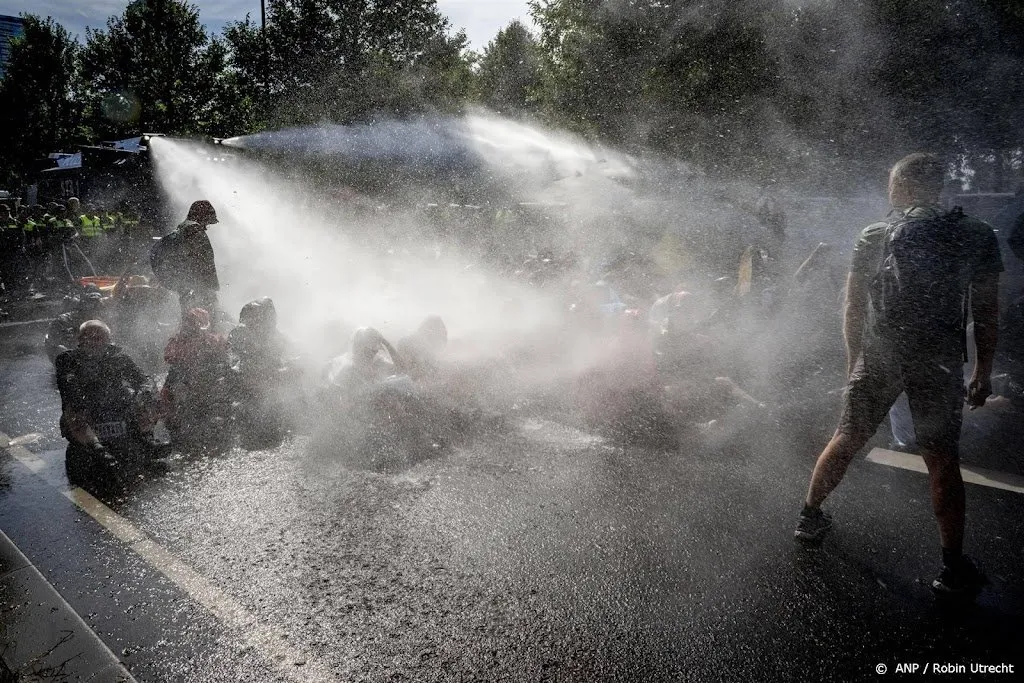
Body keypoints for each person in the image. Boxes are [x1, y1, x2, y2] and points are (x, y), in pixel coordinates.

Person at [794, 153, 1003, 598]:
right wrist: (983, 370)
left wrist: (854, 362)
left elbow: (851, 306)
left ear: (904, 186)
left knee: (847, 437)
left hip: (880, 356)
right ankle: (951, 567)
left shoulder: (874, 234)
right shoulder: (975, 234)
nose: (888, 191)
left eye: (892, 183)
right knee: (941, 458)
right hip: (938, 363)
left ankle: (809, 518)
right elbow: (985, 312)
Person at [55, 320, 158, 457]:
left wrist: (145, 391)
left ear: (108, 340)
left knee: (144, 398)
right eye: (89, 338)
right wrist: (82, 402)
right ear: (80, 340)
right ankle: (96, 447)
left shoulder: (119, 357)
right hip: (85, 407)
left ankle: (148, 438)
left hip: (117, 404)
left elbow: (142, 378)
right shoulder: (67, 360)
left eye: (99, 338)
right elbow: (68, 388)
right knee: (73, 411)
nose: (94, 343)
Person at [150, 200, 221, 316]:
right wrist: (211, 289)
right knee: (202, 318)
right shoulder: (196, 233)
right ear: (202, 217)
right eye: (207, 222)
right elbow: (206, 263)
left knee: (190, 316)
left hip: (185, 286)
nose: (207, 227)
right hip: (197, 288)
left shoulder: (181, 229)